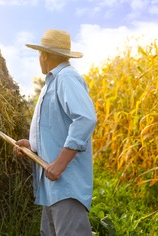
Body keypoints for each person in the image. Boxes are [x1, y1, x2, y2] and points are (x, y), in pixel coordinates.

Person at [13, 29, 97, 235]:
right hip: (52, 187)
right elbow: (56, 128)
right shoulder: (52, 82)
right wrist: (32, 146)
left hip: (66, 185)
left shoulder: (66, 78)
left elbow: (85, 119)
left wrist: (60, 164)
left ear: (44, 55)